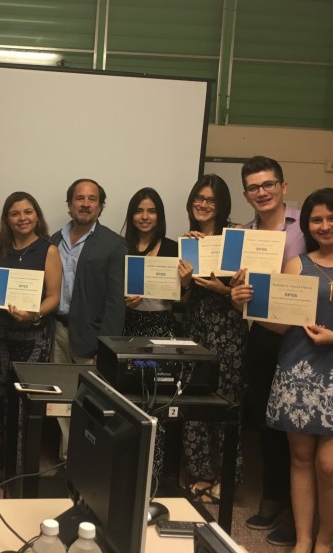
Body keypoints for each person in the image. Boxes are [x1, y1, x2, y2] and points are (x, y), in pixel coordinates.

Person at [232, 188, 333, 553]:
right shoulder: (298, 264)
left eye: (332, 218)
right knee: (301, 460)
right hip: (299, 370)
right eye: (316, 220)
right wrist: (245, 304)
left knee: (332, 464)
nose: (325, 226)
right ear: (308, 225)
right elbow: (282, 325)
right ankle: (304, 541)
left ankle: (325, 540)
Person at [230, 156, 306, 546]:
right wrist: (236, 293)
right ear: (246, 194)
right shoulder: (242, 235)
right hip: (263, 334)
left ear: (283, 186)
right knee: (265, 417)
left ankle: (299, 511)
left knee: (298, 424)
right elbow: (239, 291)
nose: (262, 193)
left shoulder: (307, 225)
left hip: (305, 336)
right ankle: (274, 496)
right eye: (254, 188)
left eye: (268, 185)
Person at [0, 191, 61, 488]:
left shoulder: (47, 250)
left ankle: (19, 468)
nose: (22, 218)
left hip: (33, 336)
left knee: (23, 403)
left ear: (37, 215)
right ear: (7, 219)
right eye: (15, 213)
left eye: (28, 212)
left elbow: (54, 296)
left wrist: (34, 315)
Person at [179, 174, 248, 503]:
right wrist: (184, 280)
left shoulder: (235, 239)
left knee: (225, 402)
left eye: (211, 200)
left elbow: (245, 292)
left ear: (221, 206)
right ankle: (202, 473)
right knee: (193, 400)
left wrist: (223, 289)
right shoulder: (187, 240)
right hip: (195, 327)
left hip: (227, 329)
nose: (203, 205)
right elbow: (181, 297)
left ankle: (226, 478)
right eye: (199, 198)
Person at [50, 178, 126, 460]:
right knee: (59, 398)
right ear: (69, 205)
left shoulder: (114, 244)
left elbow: (116, 302)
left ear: (100, 206)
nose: (85, 203)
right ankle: (69, 457)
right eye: (79, 198)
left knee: (92, 402)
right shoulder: (52, 239)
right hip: (56, 330)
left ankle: (90, 462)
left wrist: (105, 347)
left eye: (92, 199)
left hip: (91, 338)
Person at [122, 187, 186, 337]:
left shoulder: (173, 248)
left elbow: (179, 296)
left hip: (162, 324)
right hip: (126, 323)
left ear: (159, 216)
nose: (145, 216)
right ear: (131, 215)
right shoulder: (121, 247)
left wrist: (186, 281)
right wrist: (124, 301)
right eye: (138, 211)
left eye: (151, 211)